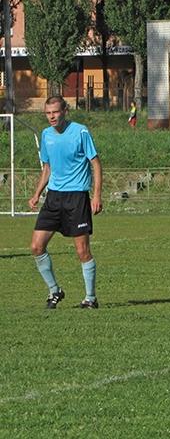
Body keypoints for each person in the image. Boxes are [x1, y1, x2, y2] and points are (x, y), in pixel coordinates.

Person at [28, 95, 103, 309]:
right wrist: (36, 194)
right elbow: (47, 168)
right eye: (48, 113)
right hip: (53, 198)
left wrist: (96, 195)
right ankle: (55, 291)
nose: (51, 117)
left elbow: (95, 164)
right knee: (36, 246)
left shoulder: (80, 132)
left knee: (82, 251)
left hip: (77, 197)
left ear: (65, 112)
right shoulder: (46, 135)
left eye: (55, 112)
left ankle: (90, 298)